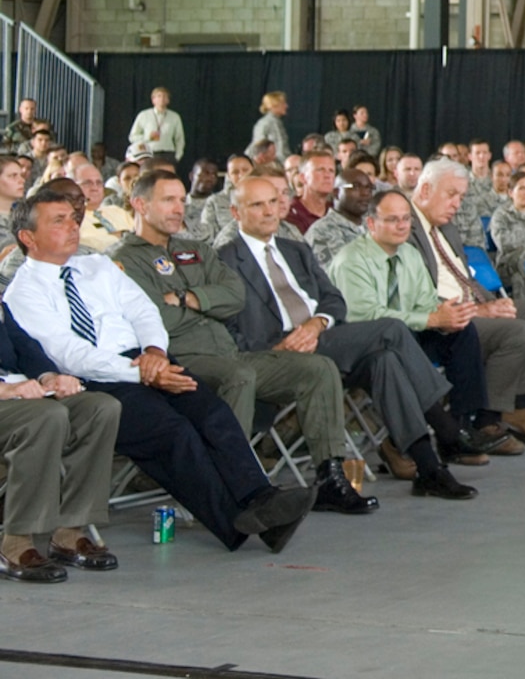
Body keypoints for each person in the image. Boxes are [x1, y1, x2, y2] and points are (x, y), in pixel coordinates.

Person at [3, 189, 316, 552]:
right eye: (58, 221)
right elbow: (69, 354)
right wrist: (142, 373)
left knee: (210, 410)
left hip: (145, 358)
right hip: (94, 381)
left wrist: (154, 351)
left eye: (74, 219)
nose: (73, 227)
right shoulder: (22, 294)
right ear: (28, 237)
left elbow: (143, 310)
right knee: (172, 432)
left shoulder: (96, 266)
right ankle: (236, 523)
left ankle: (261, 498)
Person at [111, 171, 379, 515]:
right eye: (168, 200)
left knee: (318, 368)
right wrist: (209, 305)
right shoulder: (124, 259)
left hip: (230, 353)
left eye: (181, 200)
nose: (179, 208)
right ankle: (230, 488)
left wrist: (188, 297)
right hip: (180, 358)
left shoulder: (195, 249)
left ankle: (329, 476)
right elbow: (157, 319)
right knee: (237, 375)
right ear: (139, 205)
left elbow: (235, 297)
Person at [321, 191, 483, 499]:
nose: (402, 225)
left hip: (390, 349)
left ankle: (429, 469)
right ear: (371, 223)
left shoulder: (409, 254)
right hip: (349, 347)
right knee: (392, 330)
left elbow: (424, 303)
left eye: (406, 218)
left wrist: (445, 314)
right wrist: (429, 320)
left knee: (395, 359)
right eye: (392, 219)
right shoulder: (351, 260)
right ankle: (447, 428)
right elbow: (364, 316)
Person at [408, 160, 525, 447]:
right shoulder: (405, 226)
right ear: (425, 189)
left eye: (462, 197)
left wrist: (493, 303)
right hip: (445, 317)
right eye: (451, 194)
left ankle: (519, 408)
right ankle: (487, 420)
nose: (457, 204)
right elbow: (415, 294)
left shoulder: (447, 227)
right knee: (519, 331)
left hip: (474, 304)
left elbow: (465, 278)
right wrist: (481, 310)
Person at [0, 305, 120, 583]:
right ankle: (16, 542)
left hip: (19, 393)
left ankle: (70, 530)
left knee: (100, 408)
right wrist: (6, 390)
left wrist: (48, 377)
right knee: (46, 416)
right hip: (9, 396)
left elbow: (22, 344)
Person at [487, 166, 525, 290]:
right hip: (508, 264)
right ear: (510, 193)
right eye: (521, 188)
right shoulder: (501, 215)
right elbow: (504, 243)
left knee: (520, 278)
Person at [307, 169, 373, 266]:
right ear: (336, 193)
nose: (365, 193)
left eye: (369, 188)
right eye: (356, 187)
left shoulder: (374, 225)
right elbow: (335, 275)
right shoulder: (321, 231)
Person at [127, 87, 185, 163]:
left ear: (168, 100)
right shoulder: (143, 115)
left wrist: (177, 156)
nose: (162, 99)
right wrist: (147, 137)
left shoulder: (175, 116)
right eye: (159, 96)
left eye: (165, 96)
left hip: (168, 155)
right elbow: (132, 137)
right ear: (153, 100)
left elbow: (180, 139)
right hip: (149, 154)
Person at [288, 152, 337, 235]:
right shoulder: (290, 215)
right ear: (303, 177)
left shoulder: (337, 212)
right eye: (320, 170)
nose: (327, 176)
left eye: (331, 171)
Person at [250, 92, 289, 161]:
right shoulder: (274, 123)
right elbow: (280, 149)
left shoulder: (262, 122)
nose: (286, 106)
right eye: (283, 103)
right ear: (274, 105)